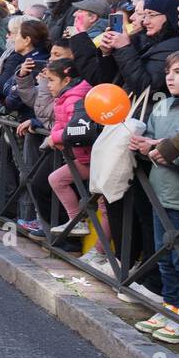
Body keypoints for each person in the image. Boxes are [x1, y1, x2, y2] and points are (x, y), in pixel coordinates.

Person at [130, 52, 179, 343]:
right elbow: (153, 140)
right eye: (168, 72)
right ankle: (169, 306)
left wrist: (159, 147)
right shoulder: (162, 105)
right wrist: (140, 144)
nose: (171, 78)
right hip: (158, 191)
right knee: (164, 255)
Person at [42, 58, 113, 259]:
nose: (48, 85)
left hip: (98, 158)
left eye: (51, 80)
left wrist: (54, 138)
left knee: (103, 206)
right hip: (84, 158)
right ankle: (77, 220)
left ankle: (100, 253)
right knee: (56, 179)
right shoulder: (64, 97)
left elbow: (77, 129)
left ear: (66, 80)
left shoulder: (75, 98)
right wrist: (54, 136)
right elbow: (60, 123)